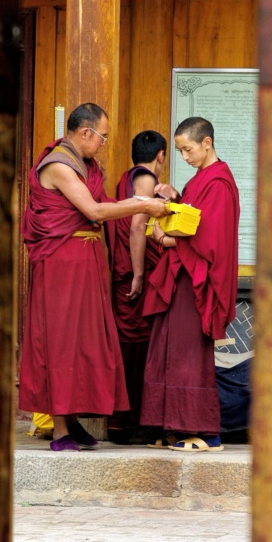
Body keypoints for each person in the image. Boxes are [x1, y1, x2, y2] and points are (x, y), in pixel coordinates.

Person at [18, 102, 170, 452]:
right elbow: (94, 210)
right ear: (85, 132)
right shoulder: (59, 165)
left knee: (85, 341)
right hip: (61, 264)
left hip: (85, 264)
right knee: (61, 340)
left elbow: (107, 202)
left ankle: (72, 423)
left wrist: (155, 194)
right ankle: (59, 431)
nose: (103, 143)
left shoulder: (87, 166)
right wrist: (143, 204)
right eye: (102, 136)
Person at [140, 116, 240, 452]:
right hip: (181, 277)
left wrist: (166, 240)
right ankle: (175, 425)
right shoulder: (201, 179)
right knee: (167, 346)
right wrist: (175, 197)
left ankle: (205, 431)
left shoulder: (220, 182)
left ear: (207, 143)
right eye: (180, 151)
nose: (184, 156)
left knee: (188, 352)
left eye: (188, 149)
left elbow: (210, 236)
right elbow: (191, 215)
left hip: (196, 280)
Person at [106, 130, 168, 444]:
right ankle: (126, 424)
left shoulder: (126, 178)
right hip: (133, 277)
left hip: (123, 273)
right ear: (161, 156)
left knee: (131, 347)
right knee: (136, 349)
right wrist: (140, 274)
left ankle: (123, 422)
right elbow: (136, 228)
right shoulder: (144, 178)